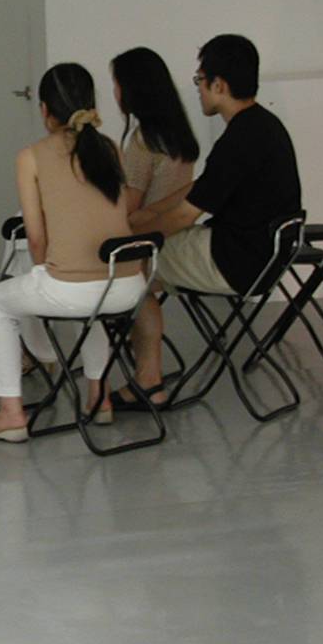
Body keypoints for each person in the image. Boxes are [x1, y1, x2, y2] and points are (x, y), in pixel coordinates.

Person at [0, 63, 147, 442]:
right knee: (93, 304)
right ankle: (100, 397)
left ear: (45, 110)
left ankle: (11, 414)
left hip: (74, 288)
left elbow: (36, 239)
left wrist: (45, 274)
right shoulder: (109, 148)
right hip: (128, 284)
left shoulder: (31, 157)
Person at [122, 33, 301, 406]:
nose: (198, 89)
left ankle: (147, 381)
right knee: (142, 254)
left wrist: (136, 235)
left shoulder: (239, 139)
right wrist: (149, 214)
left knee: (132, 266)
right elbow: (202, 188)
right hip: (264, 257)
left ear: (219, 85)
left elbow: (187, 214)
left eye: (200, 80)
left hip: (236, 261)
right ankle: (145, 373)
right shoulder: (263, 125)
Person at [112, 46, 199, 214]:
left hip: (149, 228)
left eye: (117, 85)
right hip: (176, 227)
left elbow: (129, 205)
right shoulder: (178, 131)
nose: (115, 92)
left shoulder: (144, 140)